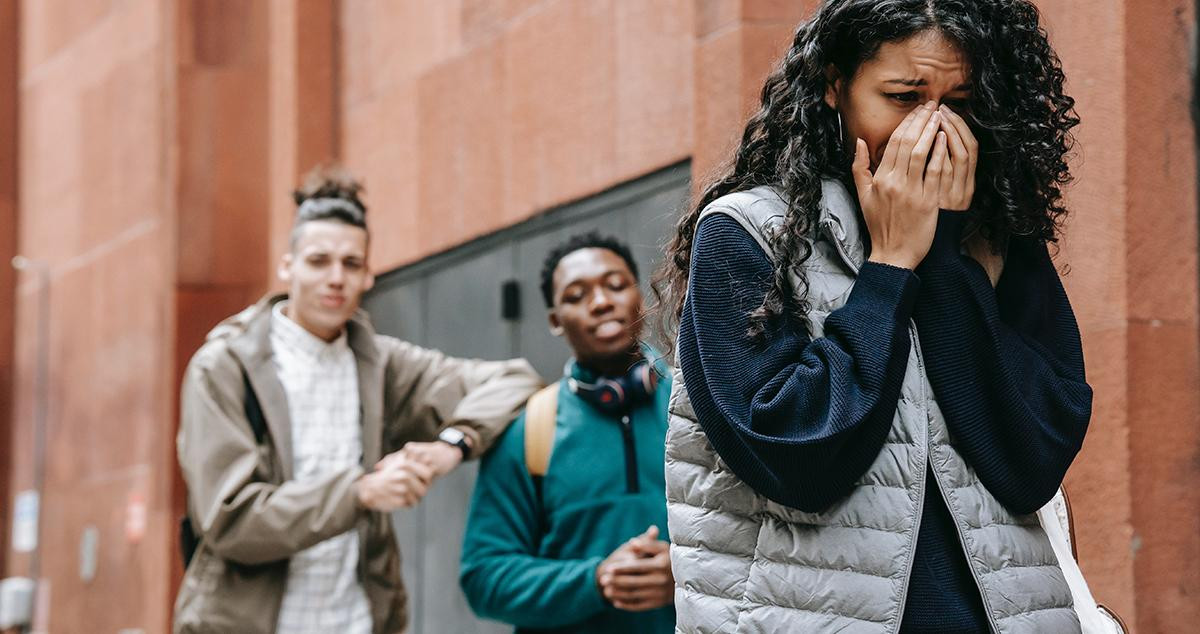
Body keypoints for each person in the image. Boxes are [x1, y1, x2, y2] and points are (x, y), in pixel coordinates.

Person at [653, 1, 1092, 632]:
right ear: (835, 85)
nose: (933, 129)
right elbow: (795, 460)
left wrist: (940, 256)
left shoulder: (999, 241)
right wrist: (888, 269)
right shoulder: (749, 233)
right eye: (904, 95)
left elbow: (1032, 460)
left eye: (961, 101)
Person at [173, 167, 541, 634]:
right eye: (319, 261)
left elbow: (514, 380)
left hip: (357, 621)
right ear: (287, 267)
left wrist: (450, 445)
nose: (335, 278)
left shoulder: (379, 364)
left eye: (351, 264)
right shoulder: (224, 367)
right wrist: (360, 492)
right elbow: (230, 520)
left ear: (368, 275)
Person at [459, 232, 675, 633]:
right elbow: (483, 577)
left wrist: (687, 574)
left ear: (640, 297)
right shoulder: (528, 430)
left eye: (615, 285)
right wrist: (594, 581)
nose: (601, 302)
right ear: (556, 321)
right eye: (576, 295)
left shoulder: (695, 408)